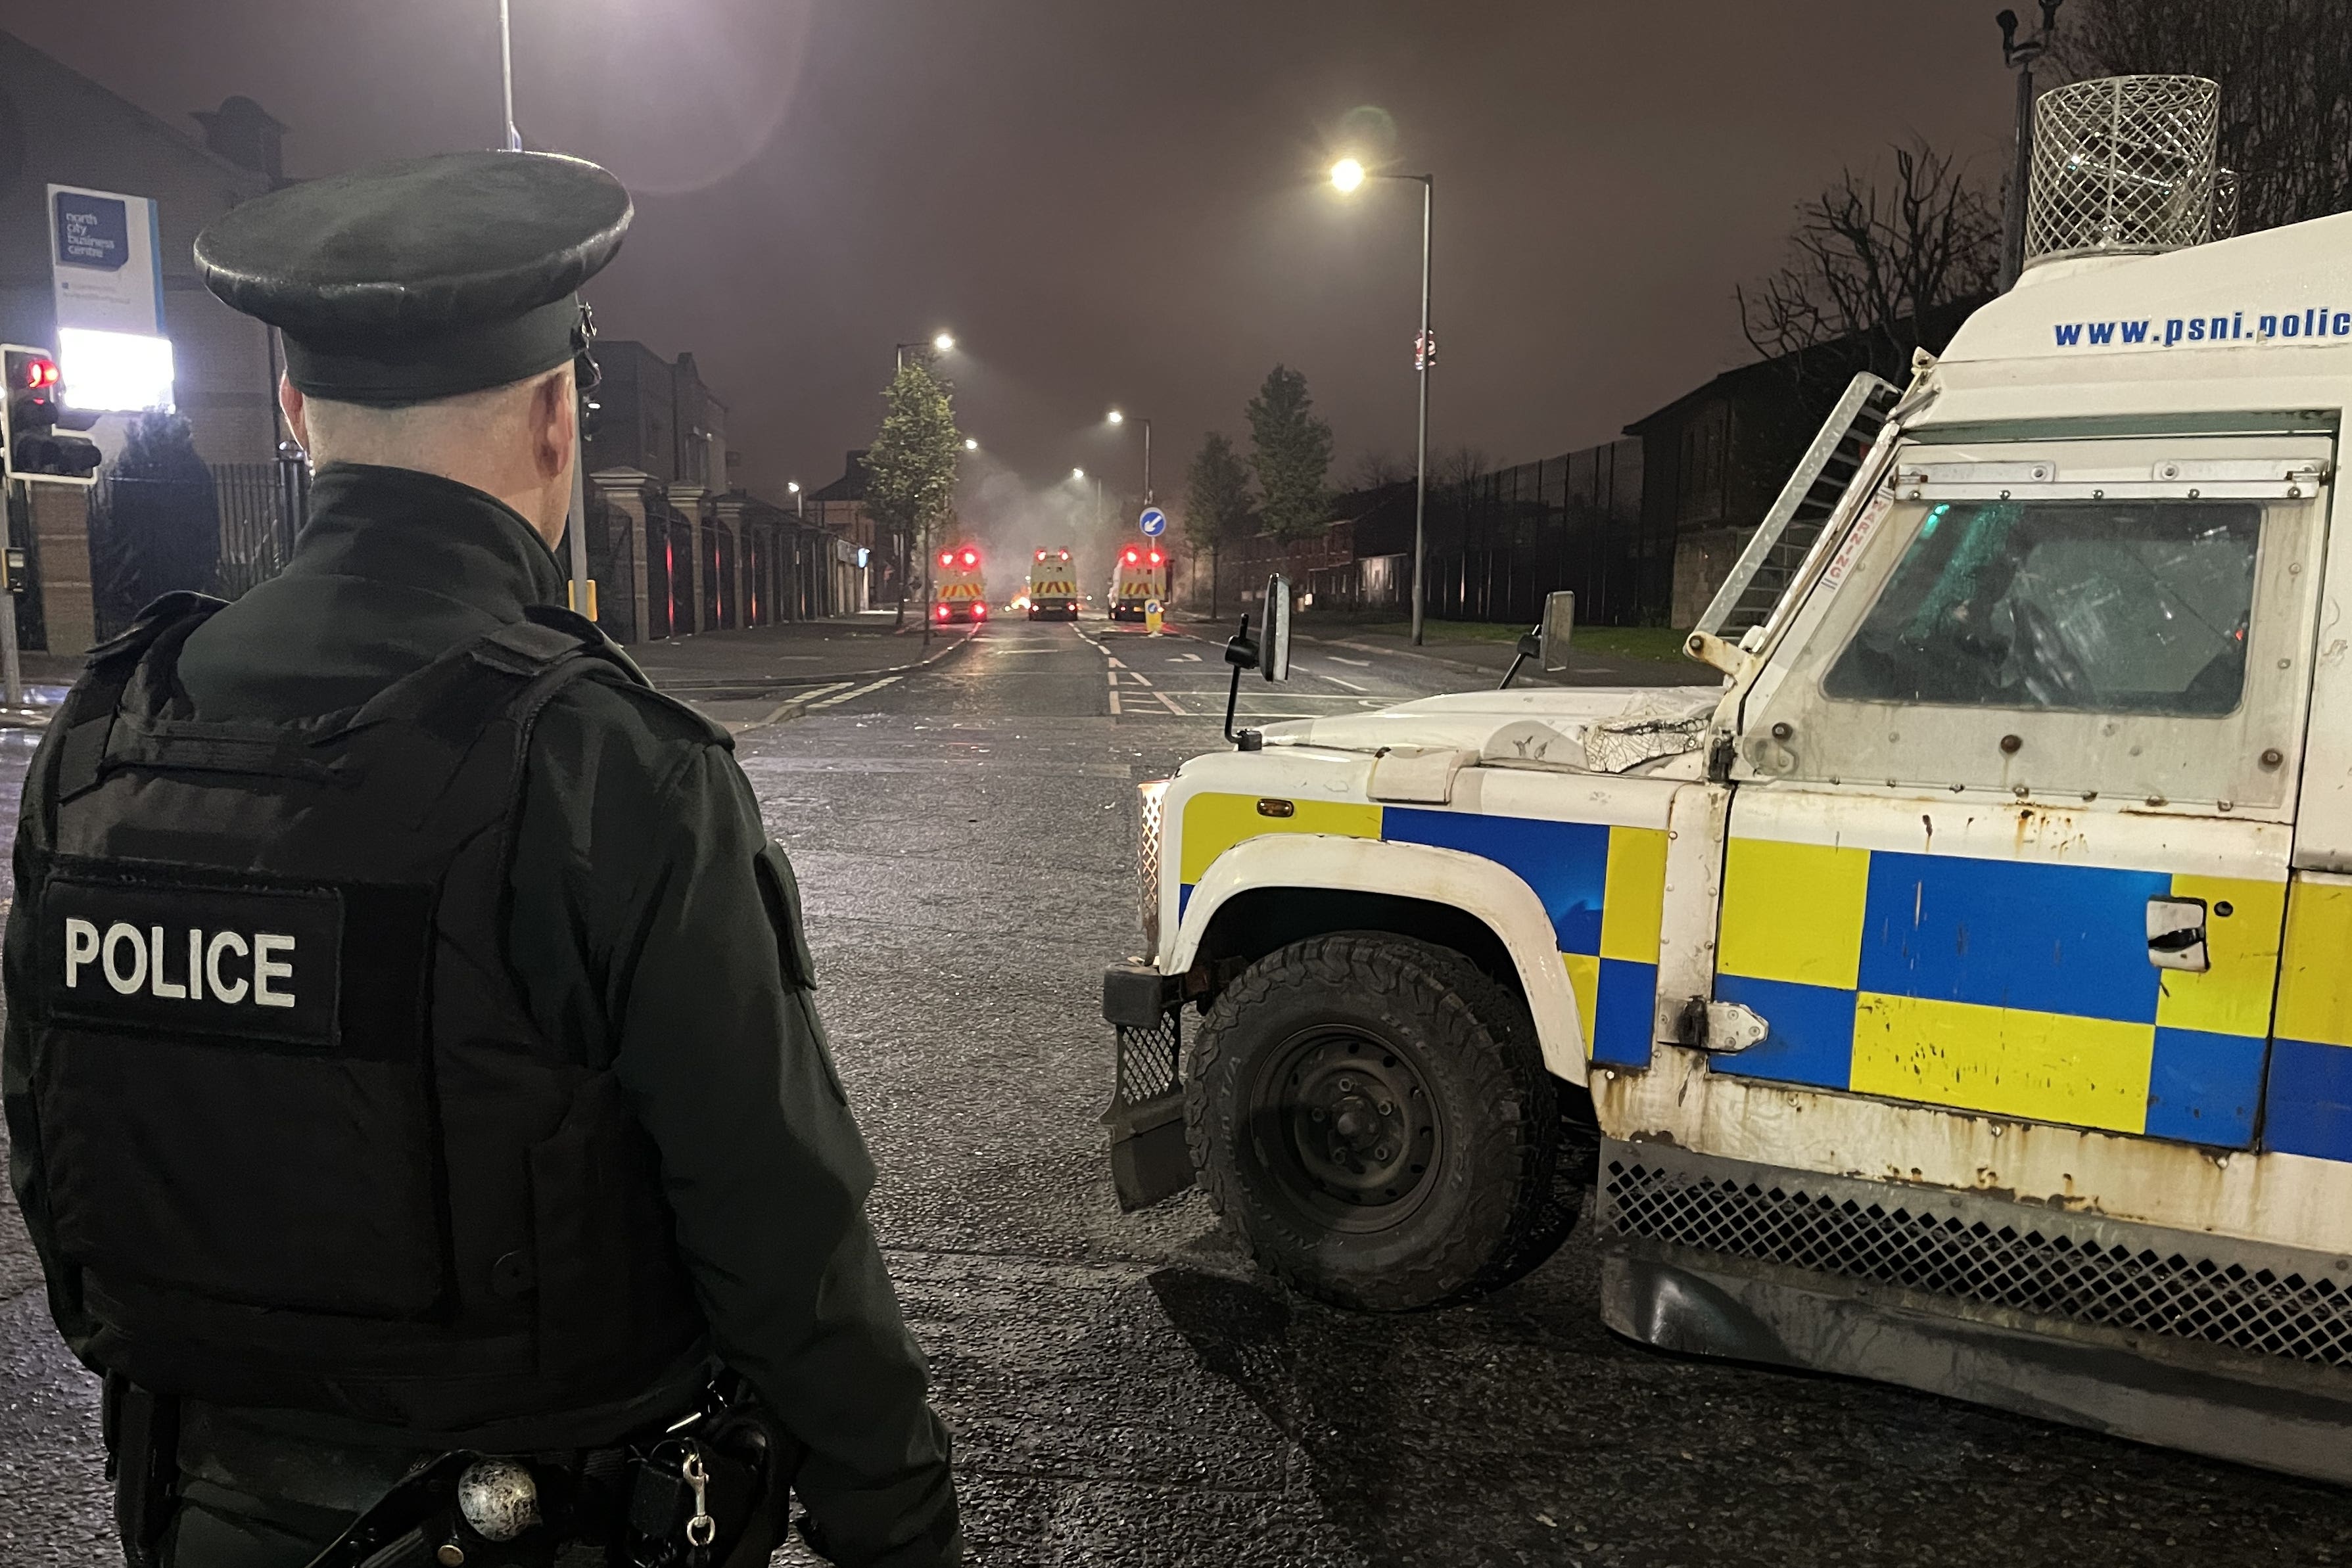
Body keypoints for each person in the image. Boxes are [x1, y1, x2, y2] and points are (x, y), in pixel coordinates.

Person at [0, 150, 959, 1567]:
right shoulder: (609, 766)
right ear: (559, 419)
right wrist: (900, 1519)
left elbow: (57, 1151)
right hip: (542, 1522)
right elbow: (781, 1235)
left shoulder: (103, 741)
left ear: (292, 411)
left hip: (204, 1506)